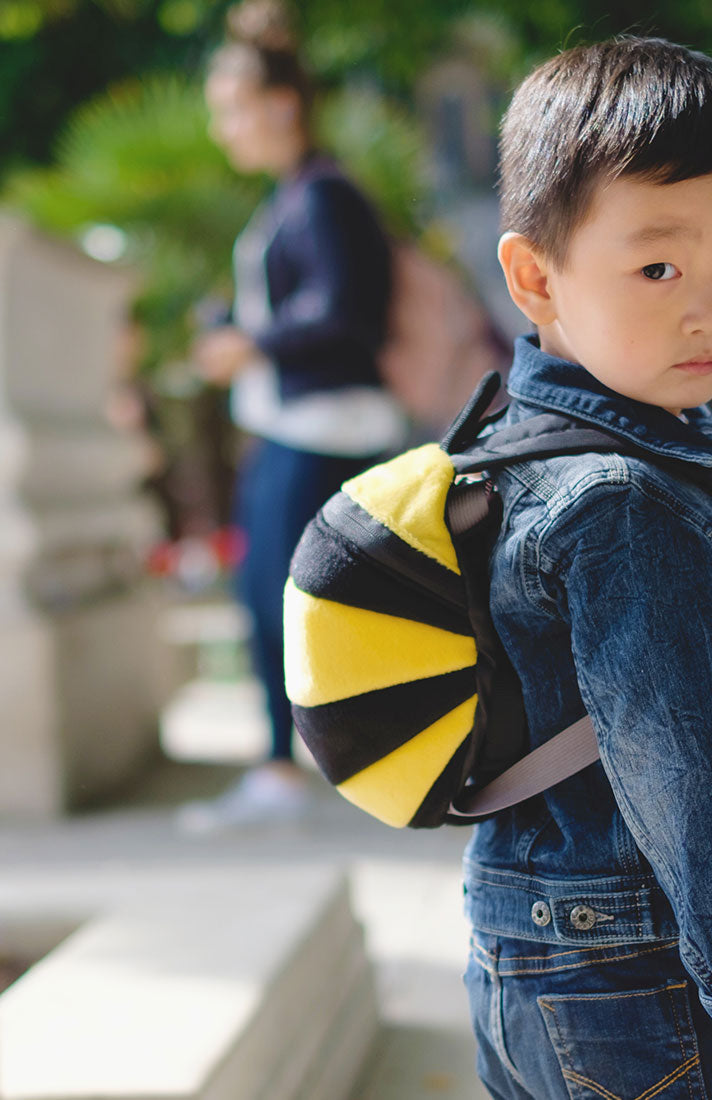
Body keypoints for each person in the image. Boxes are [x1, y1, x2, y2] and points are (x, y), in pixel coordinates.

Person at [463, 37, 712, 1099]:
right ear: (534, 277)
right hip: (636, 984)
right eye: (656, 266)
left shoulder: (525, 448)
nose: (709, 307)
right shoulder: (626, 501)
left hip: (527, 946)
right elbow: (691, 786)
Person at [178, 0, 405, 832]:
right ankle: (287, 762)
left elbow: (348, 312)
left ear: (280, 106)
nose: (221, 127)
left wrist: (250, 344)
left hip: (322, 433)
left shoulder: (324, 195)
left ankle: (283, 768)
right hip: (300, 430)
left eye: (231, 107)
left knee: (282, 602)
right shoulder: (299, 196)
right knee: (274, 598)